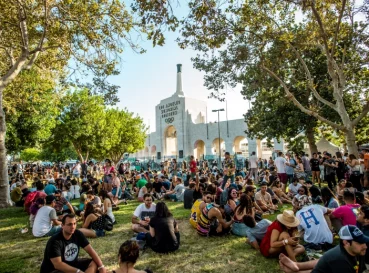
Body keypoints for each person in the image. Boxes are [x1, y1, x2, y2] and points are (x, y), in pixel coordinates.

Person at [279, 225, 369, 273]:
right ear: (346, 243)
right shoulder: (341, 260)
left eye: (364, 242)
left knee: (327, 261)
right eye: (359, 243)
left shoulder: (357, 251)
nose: (365, 246)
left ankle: (297, 265)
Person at [40, 214, 106, 273]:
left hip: (72, 264)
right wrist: (78, 271)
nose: (73, 226)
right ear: (62, 226)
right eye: (69, 224)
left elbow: (90, 251)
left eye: (74, 223)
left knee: (94, 263)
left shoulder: (78, 234)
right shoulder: (55, 241)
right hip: (53, 270)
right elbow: (58, 264)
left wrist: (101, 266)